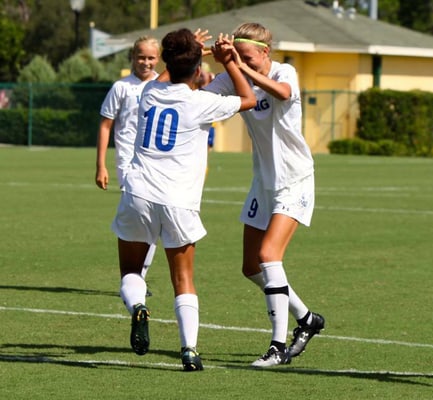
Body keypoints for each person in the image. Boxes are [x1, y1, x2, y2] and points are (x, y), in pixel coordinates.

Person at [110, 28, 255, 371]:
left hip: (138, 194)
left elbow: (167, 75)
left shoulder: (148, 92)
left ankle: (138, 308)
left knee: (132, 271)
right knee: (183, 280)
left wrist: (187, 52)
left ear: (165, 61)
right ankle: (189, 350)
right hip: (178, 201)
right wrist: (227, 60)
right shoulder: (200, 102)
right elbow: (247, 98)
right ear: (195, 69)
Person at [204, 23, 325, 368]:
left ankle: (278, 347)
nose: (244, 62)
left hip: (295, 180)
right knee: (250, 266)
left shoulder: (285, 71)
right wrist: (206, 63)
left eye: (249, 57)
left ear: (265, 53)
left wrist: (237, 65)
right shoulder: (235, 74)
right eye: (239, 56)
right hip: (264, 182)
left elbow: (283, 93)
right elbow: (207, 99)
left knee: (269, 255)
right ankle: (307, 319)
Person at [96, 36, 160, 291]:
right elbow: (106, 124)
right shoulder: (121, 87)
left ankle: (139, 275)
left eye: (151, 57)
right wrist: (101, 165)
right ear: (133, 58)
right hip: (128, 163)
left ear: (158, 59)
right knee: (139, 216)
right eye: (141, 57)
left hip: (156, 162)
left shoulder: (163, 85)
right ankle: (137, 276)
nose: (146, 62)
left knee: (154, 218)